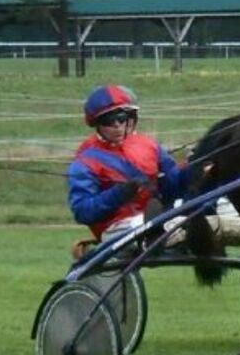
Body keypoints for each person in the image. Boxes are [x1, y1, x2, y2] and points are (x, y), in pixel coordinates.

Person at [67, 85, 189, 256]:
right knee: (184, 223)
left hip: (157, 216)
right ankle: (154, 236)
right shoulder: (85, 161)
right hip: (117, 228)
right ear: (97, 124)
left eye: (121, 118)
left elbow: (174, 184)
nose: (117, 125)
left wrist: (194, 168)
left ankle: (156, 232)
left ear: (129, 118)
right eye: (109, 121)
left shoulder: (149, 145)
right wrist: (120, 193)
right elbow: (82, 212)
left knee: (195, 211)